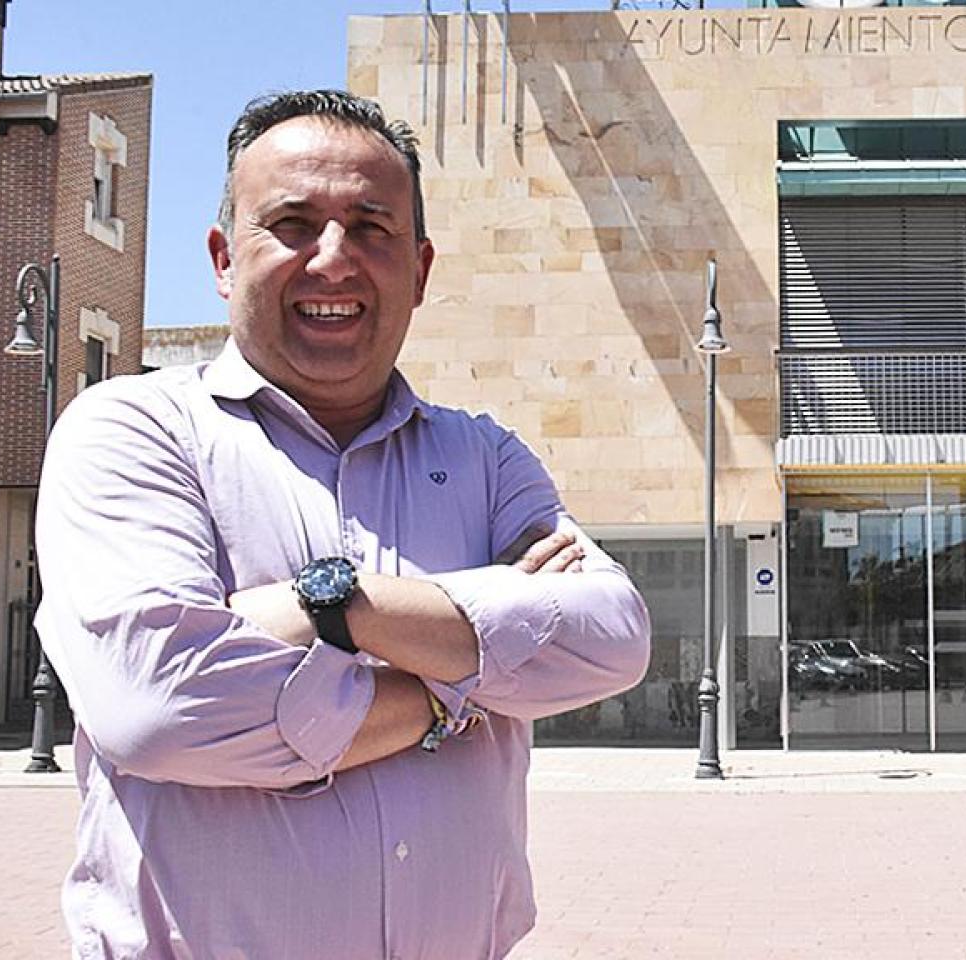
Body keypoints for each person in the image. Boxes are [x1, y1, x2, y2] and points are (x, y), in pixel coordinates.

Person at [34, 89, 652, 959]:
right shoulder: (130, 433)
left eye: (371, 227)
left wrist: (333, 607)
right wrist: (451, 687)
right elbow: (160, 706)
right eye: (291, 223)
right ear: (222, 258)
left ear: (422, 269)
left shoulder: (486, 459)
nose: (334, 260)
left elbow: (610, 637)